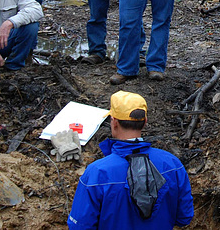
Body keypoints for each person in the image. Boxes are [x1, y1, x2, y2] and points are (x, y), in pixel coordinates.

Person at [68, 90, 194, 229]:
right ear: (145, 122)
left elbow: (79, 226)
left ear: (114, 122)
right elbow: (184, 217)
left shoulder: (97, 173)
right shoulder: (173, 164)